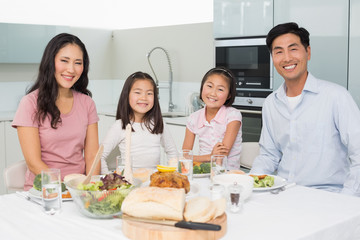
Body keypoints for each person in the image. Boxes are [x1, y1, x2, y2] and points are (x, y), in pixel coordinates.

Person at [250, 22, 360, 196]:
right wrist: (249, 185)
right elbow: (269, 156)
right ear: (273, 58)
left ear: (307, 52)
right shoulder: (271, 103)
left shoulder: (336, 97)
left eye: (293, 49)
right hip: (283, 193)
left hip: (327, 196)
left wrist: (347, 199)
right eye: (279, 51)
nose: (286, 58)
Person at [12, 33, 100, 191]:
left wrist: (90, 190)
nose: (71, 69)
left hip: (78, 191)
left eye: (78, 63)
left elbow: (93, 156)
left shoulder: (87, 103)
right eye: (64, 61)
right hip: (44, 191)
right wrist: (63, 190)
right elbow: (33, 162)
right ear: (50, 62)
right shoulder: (30, 103)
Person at [100, 71, 178, 173]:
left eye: (149, 93)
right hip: (129, 183)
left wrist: (171, 175)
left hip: (152, 184)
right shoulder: (119, 126)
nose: (144, 98)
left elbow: (173, 154)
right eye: (137, 92)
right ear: (126, 95)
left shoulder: (159, 123)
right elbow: (100, 156)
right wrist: (109, 180)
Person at [182, 67, 242, 169]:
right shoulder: (193, 118)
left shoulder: (233, 116)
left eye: (220, 89)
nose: (213, 93)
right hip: (202, 172)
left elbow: (221, 156)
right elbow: (184, 155)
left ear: (228, 95)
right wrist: (210, 156)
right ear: (202, 87)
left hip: (228, 175)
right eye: (209, 86)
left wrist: (196, 158)